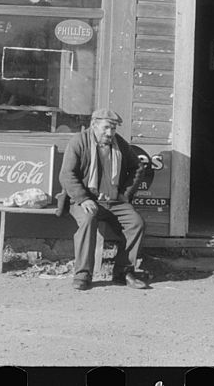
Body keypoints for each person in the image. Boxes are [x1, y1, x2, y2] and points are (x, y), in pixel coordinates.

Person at [57, 108, 148, 291]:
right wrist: (83, 199)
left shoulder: (119, 144)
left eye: (113, 129)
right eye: (106, 128)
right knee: (89, 219)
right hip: (84, 200)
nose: (110, 133)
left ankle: (123, 272)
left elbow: (138, 167)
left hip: (114, 201)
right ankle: (83, 274)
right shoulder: (78, 142)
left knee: (136, 223)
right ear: (94, 125)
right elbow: (66, 175)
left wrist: (125, 194)